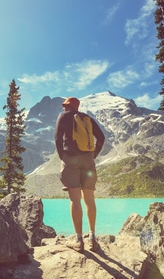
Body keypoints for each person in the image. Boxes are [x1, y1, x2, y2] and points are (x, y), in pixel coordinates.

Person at [55, 97, 105, 252]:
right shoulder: (87, 118)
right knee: (89, 199)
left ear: (69, 106)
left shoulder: (63, 117)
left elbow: (57, 138)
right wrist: (93, 155)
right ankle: (92, 238)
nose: (63, 108)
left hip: (71, 162)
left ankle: (78, 240)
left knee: (75, 199)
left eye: (65, 105)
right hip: (88, 161)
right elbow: (101, 138)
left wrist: (62, 157)